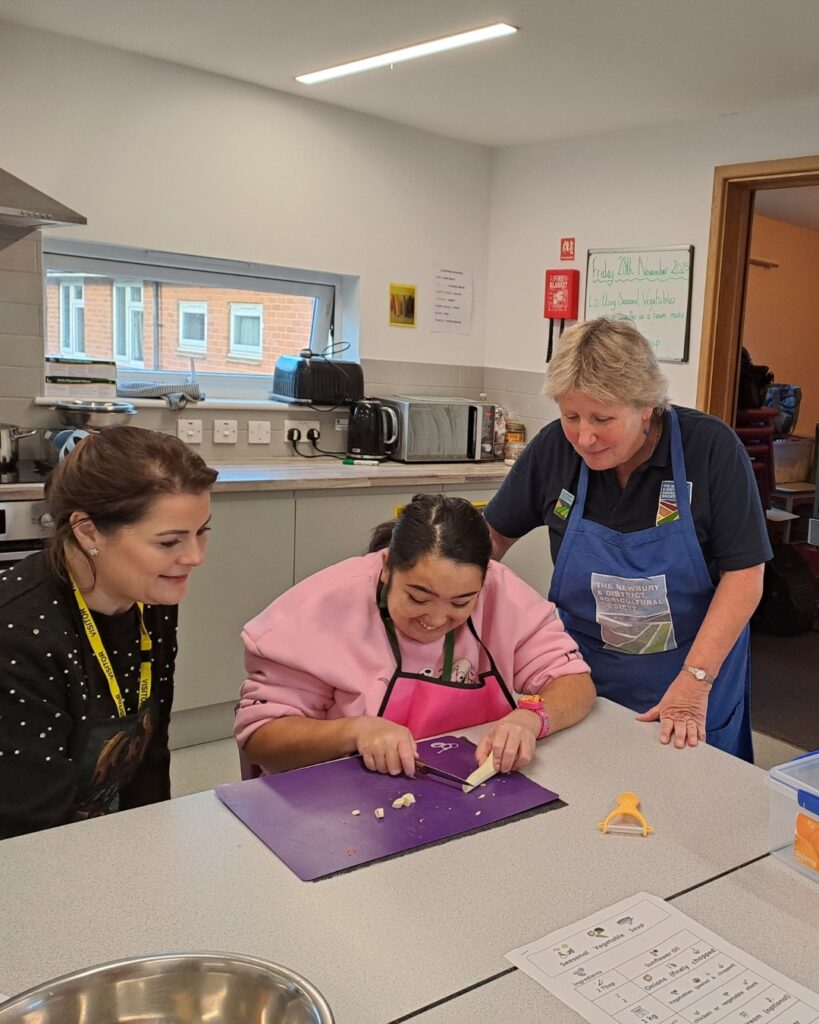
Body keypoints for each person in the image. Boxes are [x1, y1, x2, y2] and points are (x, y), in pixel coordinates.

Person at [485, 318, 773, 762]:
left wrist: (695, 681)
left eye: (603, 418)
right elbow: (489, 540)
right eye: (571, 416)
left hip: (689, 677)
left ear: (647, 407)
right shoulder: (553, 451)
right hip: (579, 681)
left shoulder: (711, 450)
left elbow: (745, 575)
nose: (584, 437)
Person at [236, 494, 595, 777]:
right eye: (418, 598)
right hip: (341, 804)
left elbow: (574, 683)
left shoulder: (502, 594)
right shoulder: (322, 609)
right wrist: (356, 732)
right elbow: (262, 739)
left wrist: (529, 719)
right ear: (388, 566)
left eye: (461, 602)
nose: (436, 620)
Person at [0, 426, 217, 839]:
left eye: (202, 531)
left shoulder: (148, 599)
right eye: (169, 541)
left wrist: (152, 844)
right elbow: (29, 830)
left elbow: (149, 754)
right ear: (87, 531)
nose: (194, 557)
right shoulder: (18, 636)